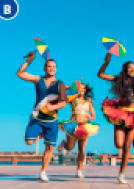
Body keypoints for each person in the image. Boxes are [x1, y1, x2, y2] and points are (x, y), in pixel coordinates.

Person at [98, 53, 134, 184]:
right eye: (129, 68)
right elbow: (100, 74)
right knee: (119, 144)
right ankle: (121, 171)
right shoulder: (119, 80)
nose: (132, 70)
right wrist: (106, 62)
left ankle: (121, 174)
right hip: (120, 114)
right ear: (125, 70)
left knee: (128, 146)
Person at [16, 51, 67, 182]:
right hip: (37, 118)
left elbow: (64, 103)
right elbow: (20, 74)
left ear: (56, 69)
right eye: (49, 66)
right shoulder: (38, 79)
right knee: (29, 142)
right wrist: (29, 61)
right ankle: (42, 134)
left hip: (52, 120)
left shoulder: (60, 84)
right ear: (45, 68)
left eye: (54, 67)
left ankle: (43, 172)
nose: (52, 69)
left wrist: (53, 107)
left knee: (49, 147)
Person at [57, 78, 99, 178]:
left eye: (84, 89)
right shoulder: (73, 99)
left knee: (82, 150)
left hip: (84, 126)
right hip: (72, 125)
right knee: (70, 148)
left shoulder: (89, 101)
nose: (82, 91)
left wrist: (90, 117)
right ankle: (64, 143)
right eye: (80, 89)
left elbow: (93, 116)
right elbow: (63, 99)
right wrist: (67, 88)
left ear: (85, 91)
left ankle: (79, 170)